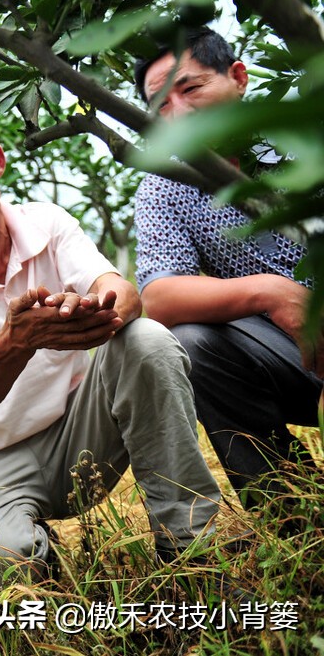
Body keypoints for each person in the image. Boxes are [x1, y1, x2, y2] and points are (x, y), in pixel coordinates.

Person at [0, 109, 221, 582]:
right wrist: (14, 343)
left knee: (145, 340)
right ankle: (44, 562)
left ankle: (190, 550)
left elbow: (123, 294)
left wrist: (92, 310)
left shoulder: (47, 222)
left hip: (79, 435)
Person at [133, 27, 322, 509]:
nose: (181, 111)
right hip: (293, 355)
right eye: (162, 104)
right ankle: (292, 513)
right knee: (193, 341)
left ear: (238, 78)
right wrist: (271, 292)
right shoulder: (166, 186)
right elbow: (159, 295)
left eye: (192, 88)